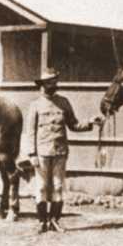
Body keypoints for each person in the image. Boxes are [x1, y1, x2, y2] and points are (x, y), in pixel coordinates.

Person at [25, 68, 103, 233]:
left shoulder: (64, 102)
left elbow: (73, 125)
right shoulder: (35, 105)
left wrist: (90, 122)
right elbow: (30, 132)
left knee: (58, 187)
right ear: (43, 85)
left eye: (54, 81)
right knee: (41, 187)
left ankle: (54, 220)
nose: (53, 84)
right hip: (41, 153)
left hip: (60, 152)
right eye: (49, 82)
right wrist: (32, 154)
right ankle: (42, 221)